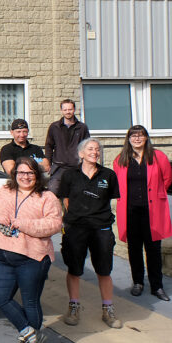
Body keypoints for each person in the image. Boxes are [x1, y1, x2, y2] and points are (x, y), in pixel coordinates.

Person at [0, 157, 62, 343]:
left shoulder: (47, 197)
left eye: (30, 173)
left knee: (30, 302)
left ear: (37, 175)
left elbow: (54, 224)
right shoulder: (3, 192)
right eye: (21, 173)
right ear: (14, 174)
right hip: (5, 256)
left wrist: (23, 224)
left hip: (33, 258)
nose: (25, 177)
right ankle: (31, 335)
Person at [57, 139, 122, 328]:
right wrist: (78, 218)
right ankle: (74, 306)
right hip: (76, 228)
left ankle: (107, 309)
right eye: (90, 149)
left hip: (101, 228)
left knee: (104, 270)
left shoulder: (108, 175)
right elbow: (66, 200)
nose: (95, 152)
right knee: (74, 269)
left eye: (97, 149)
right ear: (81, 154)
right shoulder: (70, 175)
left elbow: (112, 200)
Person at [113, 125, 172, 301]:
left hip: (152, 210)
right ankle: (138, 282)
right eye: (133, 136)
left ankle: (157, 286)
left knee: (153, 249)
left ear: (146, 138)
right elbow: (118, 183)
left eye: (141, 136)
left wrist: (155, 194)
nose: (137, 139)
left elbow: (167, 179)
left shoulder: (158, 156)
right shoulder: (120, 159)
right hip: (130, 211)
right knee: (134, 249)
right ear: (128, 139)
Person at [44, 99, 90, 193]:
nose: (67, 112)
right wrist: (48, 162)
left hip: (77, 167)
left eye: (70, 109)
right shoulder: (54, 127)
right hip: (59, 167)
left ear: (74, 110)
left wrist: (86, 163)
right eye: (65, 110)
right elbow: (49, 145)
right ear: (61, 111)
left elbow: (87, 146)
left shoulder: (82, 127)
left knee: (79, 193)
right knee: (52, 191)